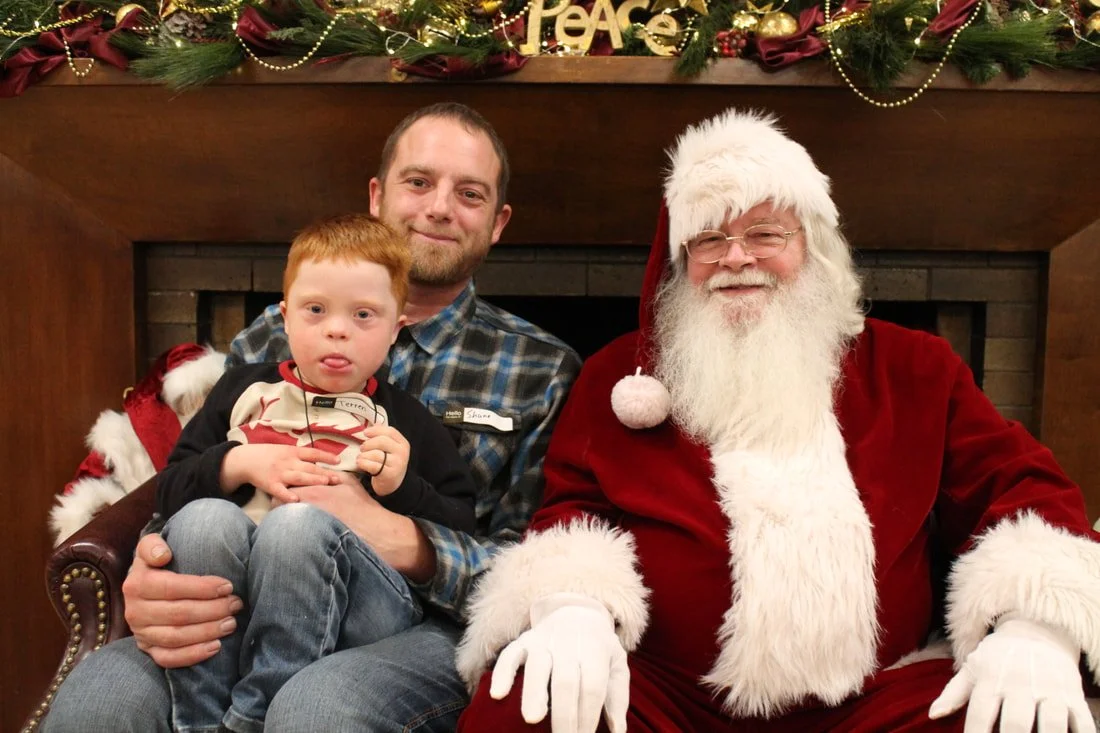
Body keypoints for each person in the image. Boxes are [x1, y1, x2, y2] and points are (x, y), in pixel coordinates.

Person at [455, 108, 1100, 733]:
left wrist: (1034, 626)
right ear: (681, 262)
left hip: (877, 696)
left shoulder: (915, 367)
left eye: (766, 234)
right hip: (669, 695)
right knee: (526, 703)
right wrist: (572, 610)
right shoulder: (620, 377)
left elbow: (1018, 489)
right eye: (709, 239)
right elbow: (572, 508)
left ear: (812, 247)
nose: (736, 258)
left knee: (1017, 714)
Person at [44, 102, 582, 733]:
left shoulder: (542, 368)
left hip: (422, 624)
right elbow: (190, 477)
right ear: (378, 196)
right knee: (99, 699)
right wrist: (150, 566)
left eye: (469, 193)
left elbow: (535, 564)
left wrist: (396, 535)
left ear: (497, 222)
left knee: (316, 706)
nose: (439, 207)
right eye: (418, 182)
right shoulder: (271, 336)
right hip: (246, 592)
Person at [154, 213, 478, 733]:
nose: (336, 328)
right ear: (284, 318)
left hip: (358, 604)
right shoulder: (242, 390)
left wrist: (401, 488)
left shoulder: (406, 419)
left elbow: (461, 520)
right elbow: (168, 491)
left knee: (297, 524)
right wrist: (238, 460)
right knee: (201, 521)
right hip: (241, 586)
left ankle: (256, 718)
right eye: (316, 310)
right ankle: (201, 719)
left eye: (364, 315)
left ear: (397, 329)